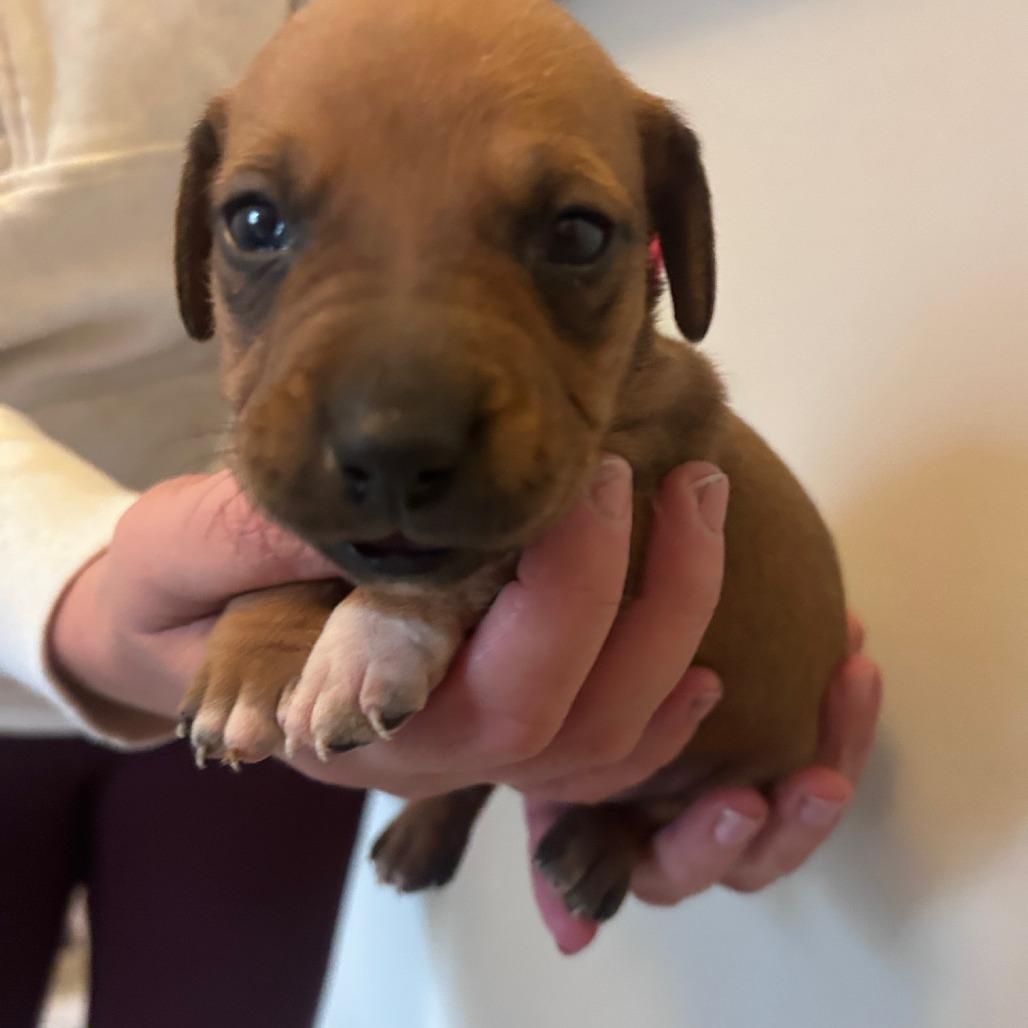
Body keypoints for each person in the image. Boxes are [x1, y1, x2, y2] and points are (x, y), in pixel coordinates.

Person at [0, 2, 879, 1026]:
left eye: (569, 236)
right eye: (260, 227)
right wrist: (83, 579)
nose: (391, 426)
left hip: (286, 714)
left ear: (667, 242)